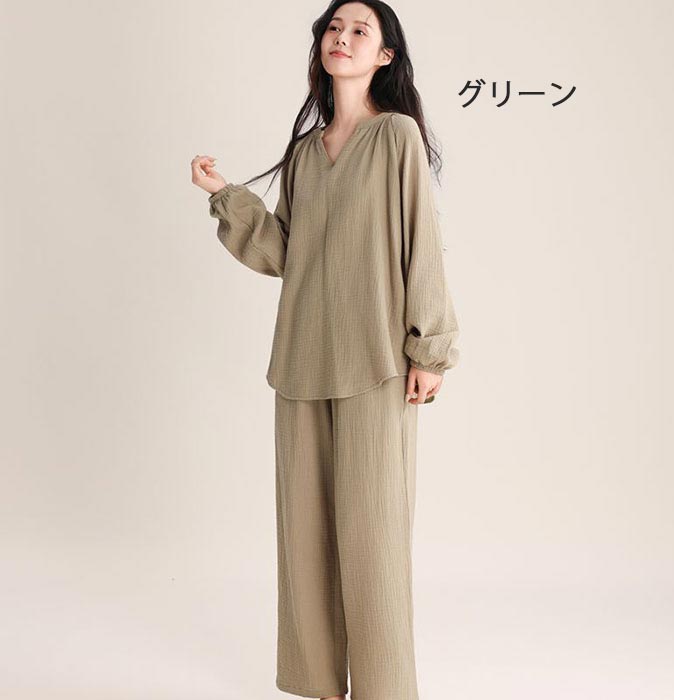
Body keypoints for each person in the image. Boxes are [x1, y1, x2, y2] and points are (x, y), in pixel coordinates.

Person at [190, 1, 459, 698]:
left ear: (385, 56)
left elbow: (421, 241)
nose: (342, 38)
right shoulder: (306, 154)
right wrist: (227, 196)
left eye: (359, 31)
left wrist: (430, 348)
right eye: (333, 29)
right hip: (302, 362)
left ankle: (383, 689)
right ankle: (319, 685)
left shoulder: (396, 136)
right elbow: (287, 253)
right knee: (306, 541)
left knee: (374, 541)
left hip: (379, 361)